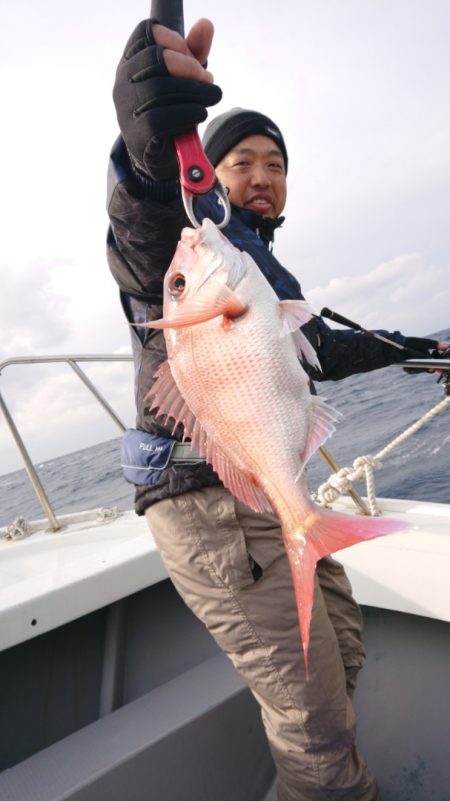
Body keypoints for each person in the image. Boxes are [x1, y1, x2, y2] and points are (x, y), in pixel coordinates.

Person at [107, 18, 447, 801]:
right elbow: (140, 228)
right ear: (207, 174)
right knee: (317, 727)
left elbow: (319, 343)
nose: (261, 177)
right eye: (241, 162)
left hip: (262, 488)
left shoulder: (254, 262)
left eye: (276, 165)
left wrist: (411, 346)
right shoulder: (188, 243)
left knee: (346, 650)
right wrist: (151, 150)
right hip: (210, 509)